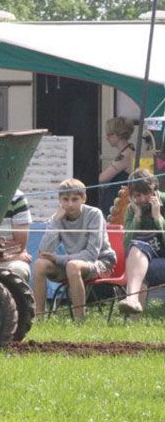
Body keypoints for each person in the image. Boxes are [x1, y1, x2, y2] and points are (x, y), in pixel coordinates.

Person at [32, 178, 116, 320]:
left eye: (74, 199)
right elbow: (43, 251)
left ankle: (79, 320)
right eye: (65, 199)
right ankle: (39, 317)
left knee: (72, 266)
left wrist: (58, 259)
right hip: (74, 263)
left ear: (84, 198)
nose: (69, 204)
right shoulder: (58, 218)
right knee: (40, 264)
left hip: (101, 262)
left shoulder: (94, 214)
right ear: (60, 200)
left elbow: (91, 255)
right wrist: (56, 222)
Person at [117, 169, 165, 315]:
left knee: (138, 271)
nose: (143, 199)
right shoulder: (132, 209)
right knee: (138, 247)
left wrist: (158, 218)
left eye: (146, 193)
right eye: (137, 195)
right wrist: (137, 218)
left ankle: (132, 306)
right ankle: (132, 304)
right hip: (144, 260)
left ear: (155, 190)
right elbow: (126, 244)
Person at [98, 116, 136, 216]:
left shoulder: (124, 155)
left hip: (117, 207)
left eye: (109, 134)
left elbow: (102, 178)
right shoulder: (128, 150)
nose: (106, 137)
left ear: (118, 135)